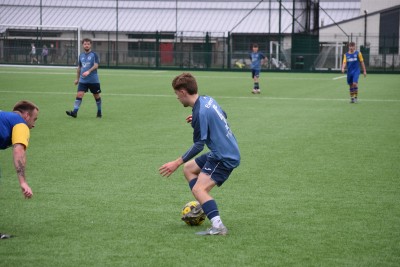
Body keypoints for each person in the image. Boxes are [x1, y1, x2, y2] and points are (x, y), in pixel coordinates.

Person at [159, 73, 240, 236]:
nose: (177, 98)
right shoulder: (207, 99)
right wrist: (200, 119)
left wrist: (176, 162)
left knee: (198, 189)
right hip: (225, 150)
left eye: (176, 94)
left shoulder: (200, 112)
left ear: (183, 92)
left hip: (223, 157)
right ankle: (204, 205)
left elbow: (198, 145)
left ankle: (218, 226)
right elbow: (223, 115)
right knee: (189, 169)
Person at [0, 100, 39, 239]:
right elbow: (19, 150)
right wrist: (23, 182)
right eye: (34, 119)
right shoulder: (21, 124)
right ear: (26, 116)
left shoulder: (5, 118)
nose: (34, 124)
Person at [66, 38, 102, 118]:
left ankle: (99, 111)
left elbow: (96, 65)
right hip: (83, 80)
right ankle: (74, 112)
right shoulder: (81, 55)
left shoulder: (94, 55)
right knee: (79, 94)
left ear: (90, 45)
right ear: (83, 45)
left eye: (88, 44)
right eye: (85, 44)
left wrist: (88, 71)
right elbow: (79, 68)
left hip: (93, 80)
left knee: (96, 96)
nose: (86, 45)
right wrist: (77, 79)